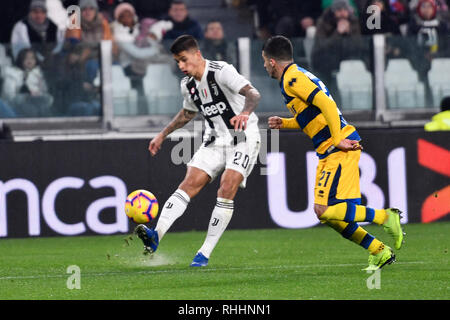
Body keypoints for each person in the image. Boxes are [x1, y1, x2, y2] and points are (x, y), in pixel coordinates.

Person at [261, 35, 405, 271]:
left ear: (273, 61)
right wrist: (286, 123)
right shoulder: (296, 76)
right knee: (333, 216)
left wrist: (338, 139)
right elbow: (314, 115)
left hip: (337, 147)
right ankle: (379, 250)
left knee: (324, 211)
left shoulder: (293, 79)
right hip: (331, 149)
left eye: (265, 61)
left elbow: (328, 105)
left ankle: (387, 218)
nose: (265, 65)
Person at [135, 35, 261, 267]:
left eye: (183, 60)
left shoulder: (221, 70)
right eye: (177, 62)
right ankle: (156, 236)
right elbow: (187, 113)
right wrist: (163, 134)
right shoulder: (188, 85)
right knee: (188, 184)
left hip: (243, 138)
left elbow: (253, 94)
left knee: (226, 186)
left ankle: (204, 253)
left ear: (197, 55)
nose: (181, 66)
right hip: (213, 141)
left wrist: (244, 113)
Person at [10, 0, 65, 66]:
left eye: (42, 12)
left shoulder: (53, 26)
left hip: (51, 63)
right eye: (35, 12)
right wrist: (42, 58)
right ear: (30, 12)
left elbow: (59, 45)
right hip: (26, 64)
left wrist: (51, 56)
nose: (39, 15)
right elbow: (26, 46)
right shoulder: (21, 26)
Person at [1, 48, 53, 117]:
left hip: (37, 108)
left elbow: (44, 92)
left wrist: (39, 96)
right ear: (20, 59)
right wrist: (26, 97)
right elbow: (8, 97)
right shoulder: (11, 74)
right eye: (26, 58)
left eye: (32, 58)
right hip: (17, 110)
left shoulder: (38, 75)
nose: (30, 61)